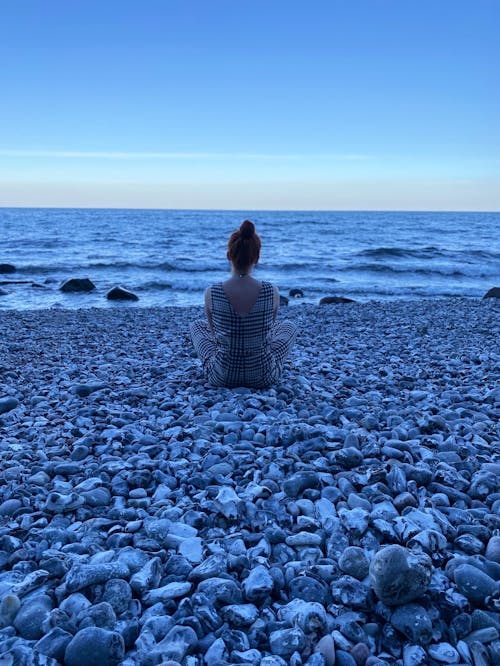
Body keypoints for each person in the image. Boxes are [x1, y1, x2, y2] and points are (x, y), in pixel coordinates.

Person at [190, 220, 297, 388]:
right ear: (257, 257)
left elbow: (214, 335)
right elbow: (268, 333)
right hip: (263, 376)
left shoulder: (212, 292)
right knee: (288, 326)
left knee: (197, 326)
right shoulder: (271, 291)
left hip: (221, 377)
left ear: (228, 255)